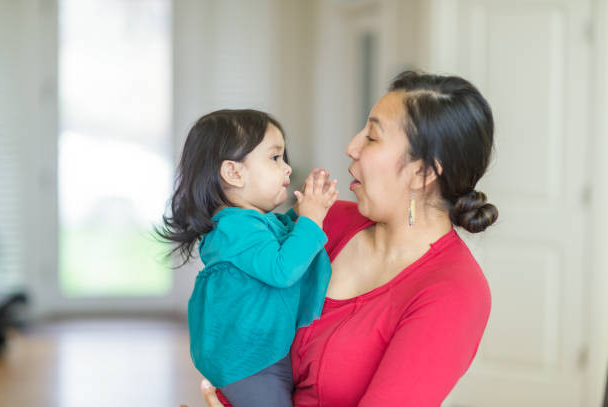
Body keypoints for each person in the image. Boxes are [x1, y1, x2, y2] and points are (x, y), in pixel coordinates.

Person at [199, 71, 498, 407]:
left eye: (371, 137)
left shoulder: (453, 292)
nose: (351, 147)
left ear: (423, 172)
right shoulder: (322, 222)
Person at [157, 109, 339, 407]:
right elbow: (283, 269)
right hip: (249, 363)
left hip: (261, 355)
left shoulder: (248, 224)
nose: (288, 168)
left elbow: (282, 243)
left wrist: (305, 214)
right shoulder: (235, 227)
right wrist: (312, 219)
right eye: (275, 158)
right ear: (234, 173)